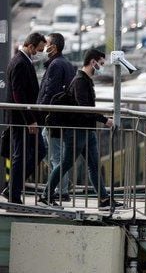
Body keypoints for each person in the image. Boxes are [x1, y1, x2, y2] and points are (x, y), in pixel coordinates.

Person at [39, 49, 122, 209]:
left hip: (86, 130)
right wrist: (105, 120)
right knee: (66, 163)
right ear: (93, 62)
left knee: (93, 165)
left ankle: (104, 199)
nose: (102, 67)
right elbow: (84, 108)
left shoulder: (86, 80)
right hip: (77, 131)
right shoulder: (79, 81)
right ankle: (46, 194)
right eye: (101, 63)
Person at [2, 33, 47, 204]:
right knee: (21, 155)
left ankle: (12, 187)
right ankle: (13, 193)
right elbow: (18, 94)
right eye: (39, 49)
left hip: (24, 118)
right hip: (22, 120)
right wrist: (30, 120)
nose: (39, 53)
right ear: (31, 46)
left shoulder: (21, 60)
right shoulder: (20, 62)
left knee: (37, 151)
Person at [37, 33, 75, 203]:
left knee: (55, 155)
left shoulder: (56, 65)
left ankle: (62, 189)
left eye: (48, 43)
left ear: (55, 47)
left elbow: (49, 91)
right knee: (46, 150)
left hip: (53, 117)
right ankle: (61, 183)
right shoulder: (66, 63)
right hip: (60, 117)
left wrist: (39, 111)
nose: (45, 46)